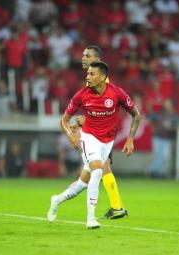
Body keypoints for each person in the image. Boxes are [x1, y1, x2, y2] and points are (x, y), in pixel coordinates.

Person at [47, 61, 141, 229]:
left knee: (82, 184)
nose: (87, 77)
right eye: (87, 73)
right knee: (98, 170)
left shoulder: (117, 93)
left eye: (91, 74)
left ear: (102, 77)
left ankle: (57, 199)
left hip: (108, 142)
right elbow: (64, 119)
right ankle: (90, 218)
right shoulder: (82, 95)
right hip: (89, 138)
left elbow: (136, 115)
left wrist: (130, 139)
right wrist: (70, 135)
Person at [76, 45, 129, 219]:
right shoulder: (92, 81)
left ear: (97, 61)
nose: (83, 58)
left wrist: (83, 121)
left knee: (101, 167)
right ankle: (117, 206)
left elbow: (105, 106)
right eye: (83, 55)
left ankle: (117, 207)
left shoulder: (102, 82)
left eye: (88, 56)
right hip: (98, 131)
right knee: (102, 167)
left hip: (103, 132)